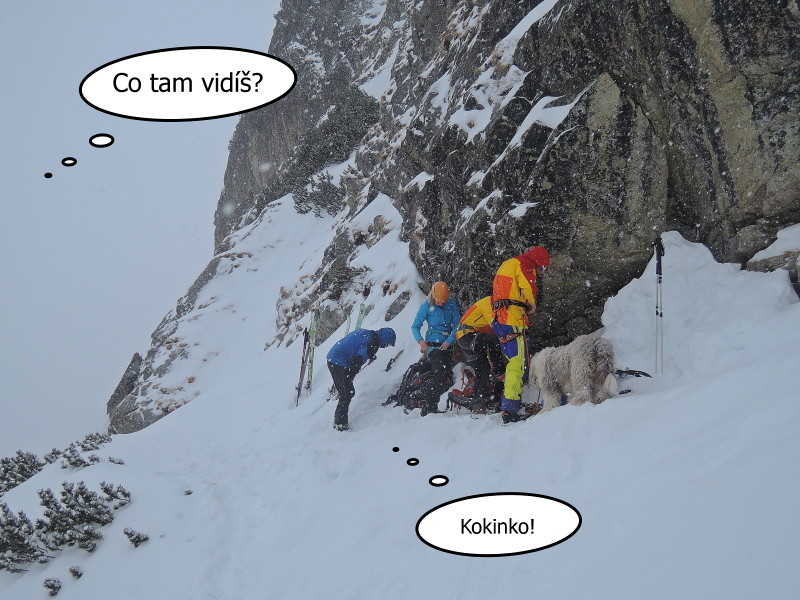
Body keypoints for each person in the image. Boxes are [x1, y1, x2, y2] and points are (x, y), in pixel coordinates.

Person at [491, 246, 550, 424]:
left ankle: (511, 402)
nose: (539, 271)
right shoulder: (525, 264)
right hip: (513, 320)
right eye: (541, 267)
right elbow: (528, 284)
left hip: (500, 319)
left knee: (513, 363)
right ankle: (510, 409)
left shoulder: (508, 264)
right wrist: (532, 303)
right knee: (518, 365)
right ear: (538, 260)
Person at [327, 327, 396, 431]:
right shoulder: (372, 342)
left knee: (347, 391)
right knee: (347, 392)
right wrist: (351, 373)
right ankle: (339, 424)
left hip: (335, 358)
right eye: (388, 344)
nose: (386, 346)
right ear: (385, 338)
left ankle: (339, 420)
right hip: (337, 361)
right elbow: (358, 359)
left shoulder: (368, 334)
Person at [410, 282, 460, 414]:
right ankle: (429, 405)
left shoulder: (451, 304)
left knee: (446, 374)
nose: (441, 304)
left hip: (447, 345)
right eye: (438, 301)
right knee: (440, 374)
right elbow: (415, 326)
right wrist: (421, 341)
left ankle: (428, 400)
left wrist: (449, 341)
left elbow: (458, 324)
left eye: (443, 302)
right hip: (433, 344)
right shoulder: (426, 306)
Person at [456, 296, 505, 410]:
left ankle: (479, 402)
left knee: (483, 370)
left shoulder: (494, 305)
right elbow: (496, 328)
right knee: (494, 341)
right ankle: (499, 373)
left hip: (465, 337)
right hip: (468, 335)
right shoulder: (488, 304)